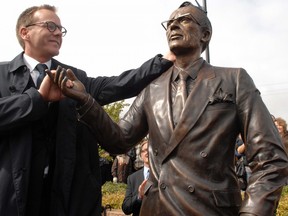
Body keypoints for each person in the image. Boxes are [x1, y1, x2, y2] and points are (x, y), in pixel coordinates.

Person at [48, 1, 288, 216]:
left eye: (184, 20)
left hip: (210, 209)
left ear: (205, 34)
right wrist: (86, 100)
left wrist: (253, 212)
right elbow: (120, 140)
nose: (174, 26)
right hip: (157, 209)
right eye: (170, 23)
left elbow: (270, 159)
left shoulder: (233, 80)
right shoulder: (152, 88)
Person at [0, 4, 174, 216]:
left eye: (61, 30)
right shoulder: (1, 75)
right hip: (11, 198)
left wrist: (164, 61)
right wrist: (38, 98)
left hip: (67, 202)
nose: (58, 33)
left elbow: (120, 84)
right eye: (50, 26)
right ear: (24, 32)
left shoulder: (75, 78)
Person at [122, 140, 149, 216]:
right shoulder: (132, 178)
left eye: (149, 149)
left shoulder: (163, 175)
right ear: (141, 155)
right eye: (144, 151)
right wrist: (139, 197)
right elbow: (126, 208)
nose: (147, 152)